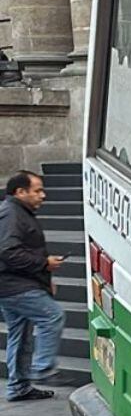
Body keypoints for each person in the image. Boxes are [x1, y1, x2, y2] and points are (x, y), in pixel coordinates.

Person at [0, 171, 66, 402]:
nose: (43, 195)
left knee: (20, 335)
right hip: (15, 285)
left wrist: (45, 274)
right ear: (21, 192)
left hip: (15, 284)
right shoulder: (11, 214)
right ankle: (42, 367)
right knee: (52, 316)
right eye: (37, 190)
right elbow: (8, 252)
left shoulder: (18, 213)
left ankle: (18, 387)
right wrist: (43, 263)